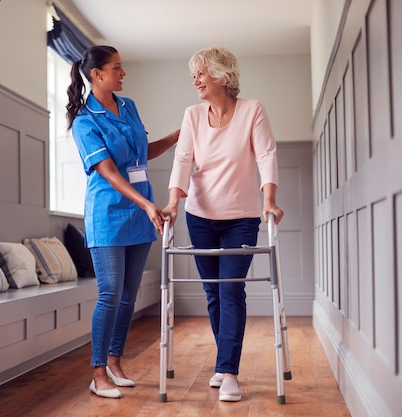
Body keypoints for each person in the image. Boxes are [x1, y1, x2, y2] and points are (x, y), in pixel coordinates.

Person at [163, 46, 284, 402]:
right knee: (213, 293)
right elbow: (183, 158)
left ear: (222, 76)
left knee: (231, 291)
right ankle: (224, 362)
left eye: (200, 73)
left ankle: (229, 371)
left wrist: (270, 200)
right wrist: (172, 201)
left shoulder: (252, 110)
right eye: (194, 75)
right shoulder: (193, 115)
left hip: (241, 219)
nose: (195, 80)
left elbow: (266, 155)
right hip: (199, 217)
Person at [66, 45, 179, 399]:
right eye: (117, 68)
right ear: (97, 74)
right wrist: (148, 204)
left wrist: (180, 135)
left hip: (141, 214)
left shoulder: (129, 107)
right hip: (109, 216)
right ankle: (98, 372)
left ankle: (115, 362)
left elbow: (141, 154)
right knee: (110, 294)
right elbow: (109, 171)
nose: (123, 73)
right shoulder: (85, 121)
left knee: (129, 297)